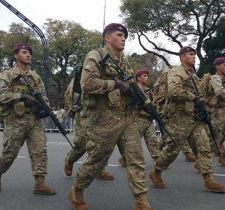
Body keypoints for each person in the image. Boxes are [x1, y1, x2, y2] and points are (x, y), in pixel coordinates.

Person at [68, 23, 153, 210]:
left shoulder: (123, 60)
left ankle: (142, 202)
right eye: (119, 34)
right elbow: (87, 83)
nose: (123, 38)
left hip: (127, 117)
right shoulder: (96, 55)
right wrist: (114, 84)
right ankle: (77, 188)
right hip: (104, 119)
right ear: (107, 37)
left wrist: (143, 100)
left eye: (125, 36)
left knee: (136, 159)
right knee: (96, 160)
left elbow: (131, 82)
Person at [148, 46, 225, 193]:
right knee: (172, 150)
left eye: (194, 55)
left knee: (204, 147)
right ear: (183, 57)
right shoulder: (176, 72)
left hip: (195, 117)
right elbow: (173, 91)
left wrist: (202, 102)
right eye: (191, 54)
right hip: (179, 118)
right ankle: (156, 171)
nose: (194, 57)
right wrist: (193, 97)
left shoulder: (194, 75)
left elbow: (200, 94)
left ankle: (209, 180)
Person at [0, 44, 55, 195]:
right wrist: (23, 96)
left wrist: (45, 107)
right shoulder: (7, 75)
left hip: (34, 120)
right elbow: (0, 96)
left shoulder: (35, 77)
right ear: (15, 56)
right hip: (14, 121)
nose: (28, 55)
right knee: (9, 154)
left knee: (40, 150)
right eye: (24, 52)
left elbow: (43, 96)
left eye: (30, 53)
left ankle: (40, 185)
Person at [63, 78, 114, 180]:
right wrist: (72, 108)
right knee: (82, 143)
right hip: (84, 112)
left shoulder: (108, 72)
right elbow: (70, 93)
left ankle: (99, 169)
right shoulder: (83, 72)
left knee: (100, 141)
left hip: (101, 112)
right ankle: (70, 159)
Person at [117, 69, 161, 164]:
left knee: (153, 141)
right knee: (133, 144)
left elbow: (152, 103)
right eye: (144, 76)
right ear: (138, 78)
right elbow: (130, 103)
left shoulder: (148, 90)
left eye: (147, 76)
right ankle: (125, 158)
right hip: (137, 119)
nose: (147, 78)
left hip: (148, 119)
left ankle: (158, 159)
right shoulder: (134, 89)